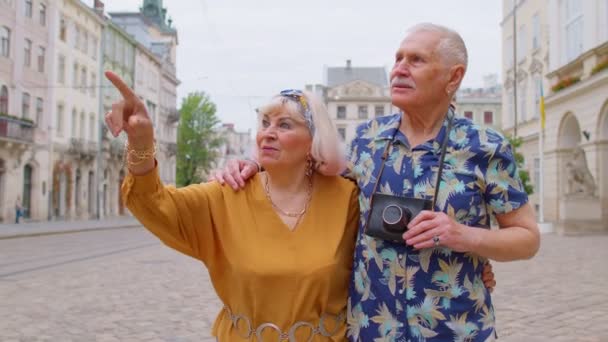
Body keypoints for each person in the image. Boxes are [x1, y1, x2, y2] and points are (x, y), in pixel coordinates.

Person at [211, 23, 539, 341]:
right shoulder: (366, 139)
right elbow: (305, 169)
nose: (399, 69)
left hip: (455, 330)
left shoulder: (485, 147)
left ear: (453, 77)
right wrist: (254, 162)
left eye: (417, 60)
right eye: (398, 59)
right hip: (371, 329)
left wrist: (464, 236)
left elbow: (527, 239)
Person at [105, 69, 359, 341]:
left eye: (284, 125)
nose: (268, 133)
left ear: (313, 140)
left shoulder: (347, 198)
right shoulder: (228, 194)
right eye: (264, 123)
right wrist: (140, 142)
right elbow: (152, 202)